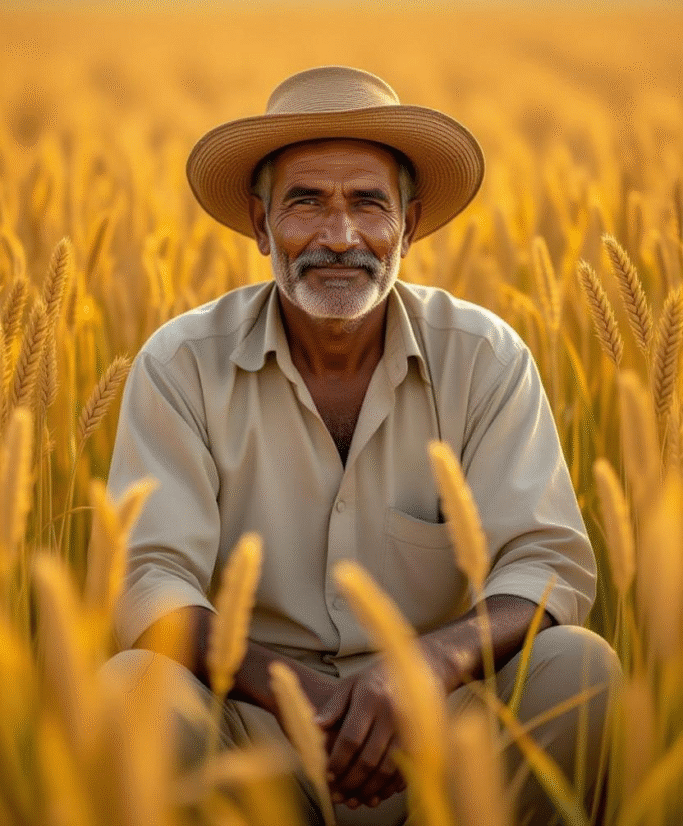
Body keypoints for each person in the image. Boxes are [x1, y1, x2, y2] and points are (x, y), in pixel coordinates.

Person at [101, 66, 620, 825]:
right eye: (305, 202)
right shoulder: (181, 362)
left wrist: (422, 668)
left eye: (368, 205)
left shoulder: (482, 355)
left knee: (578, 666)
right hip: (251, 733)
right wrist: (292, 692)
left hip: (444, 725)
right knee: (131, 684)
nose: (339, 237)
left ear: (407, 225)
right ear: (259, 223)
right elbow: (151, 579)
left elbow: (544, 565)